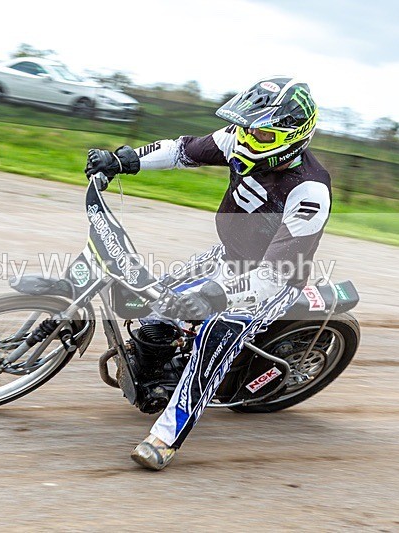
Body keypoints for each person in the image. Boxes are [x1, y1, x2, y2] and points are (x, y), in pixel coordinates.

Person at [84, 76, 331, 470]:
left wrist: (215, 296)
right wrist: (124, 160)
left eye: (263, 135)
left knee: (214, 337)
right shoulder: (243, 138)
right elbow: (183, 150)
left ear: (294, 136)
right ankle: (155, 370)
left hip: (273, 279)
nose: (248, 140)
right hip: (227, 253)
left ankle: (166, 437)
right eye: (247, 128)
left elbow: (274, 275)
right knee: (153, 306)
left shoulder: (309, 192)